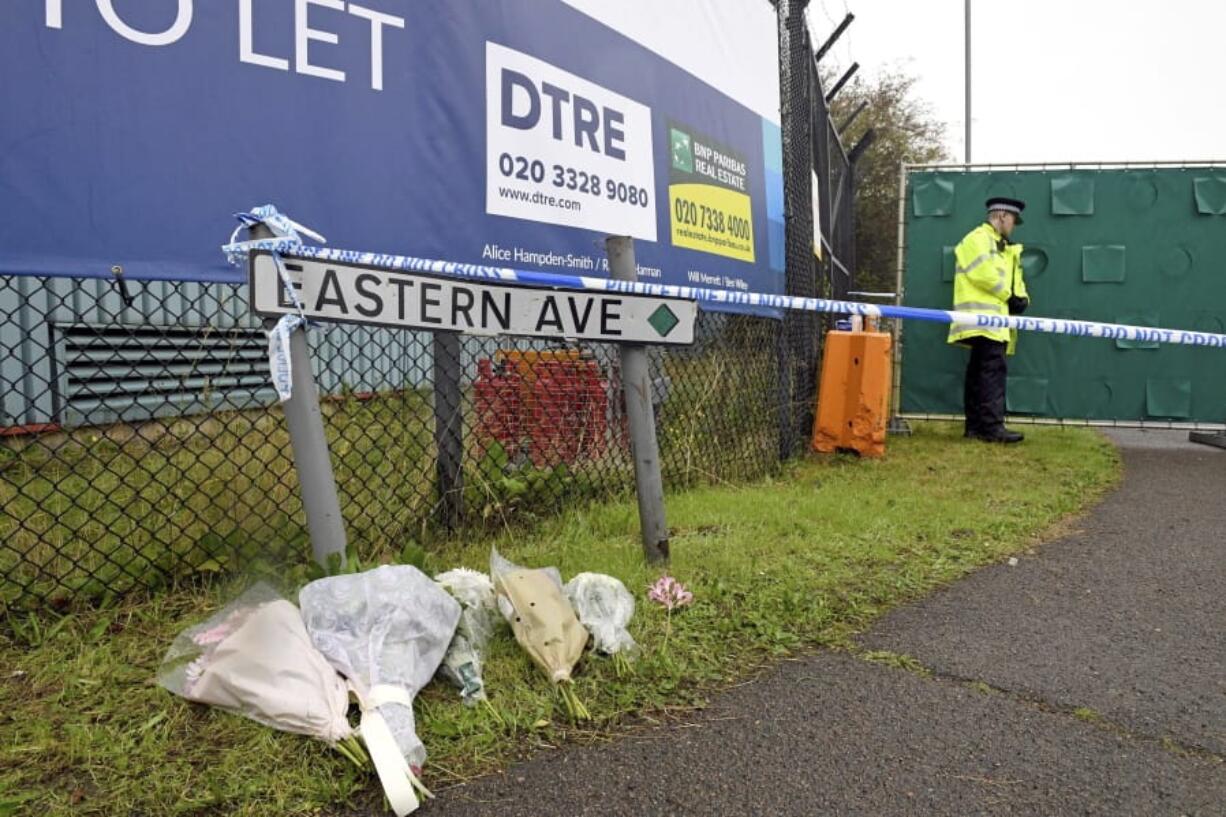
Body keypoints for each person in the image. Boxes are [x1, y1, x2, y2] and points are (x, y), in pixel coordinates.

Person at [947, 197, 1030, 443]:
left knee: (980, 373)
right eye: (1013, 220)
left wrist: (1022, 299)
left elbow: (1014, 281)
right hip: (984, 320)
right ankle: (992, 429)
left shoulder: (1004, 247)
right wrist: (1010, 297)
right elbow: (983, 274)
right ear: (1002, 216)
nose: (1014, 225)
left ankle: (975, 428)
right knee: (992, 372)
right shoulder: (979, 239)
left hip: (991, 320)